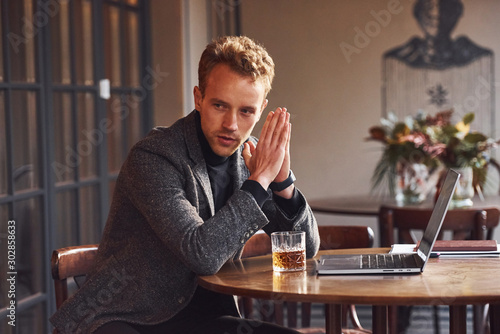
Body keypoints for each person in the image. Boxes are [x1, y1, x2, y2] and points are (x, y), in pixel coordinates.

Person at [50, 35, 320, 334]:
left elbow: (305, 249)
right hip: (126, 318)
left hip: (205, 319)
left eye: (246, 111)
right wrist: (260, 181)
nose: (232, 124)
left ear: (261, 109)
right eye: (220, 105)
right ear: (199, 98)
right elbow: (200, 254)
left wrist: (282, 183)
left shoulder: (252, 159)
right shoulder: (154, 156)